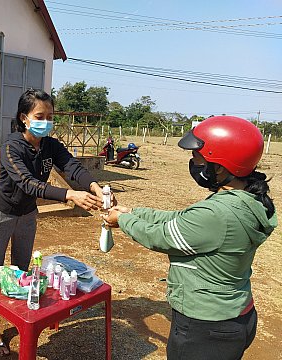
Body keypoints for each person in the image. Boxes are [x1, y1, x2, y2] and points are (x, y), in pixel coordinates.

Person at [102, 116, 277, 360]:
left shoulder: (217, 213)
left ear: (220, 164)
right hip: (236, 315)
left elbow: (161, 237)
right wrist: (134, 212)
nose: (192, 161)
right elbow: (182, 218)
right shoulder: (245, 199)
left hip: (206, 328)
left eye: (197, 156)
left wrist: (121, 221)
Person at [0, 89, 106, 356]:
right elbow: (27, 183)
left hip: (27, 215)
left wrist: (94, 186)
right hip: (1, 213)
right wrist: (69, 194)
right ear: (24, 118)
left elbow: (72, 166)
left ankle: (18, 314)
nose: (46, 121)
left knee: (21, 270)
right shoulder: (11, 147)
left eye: (50, 116)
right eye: (40, 116)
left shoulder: (50, 146)